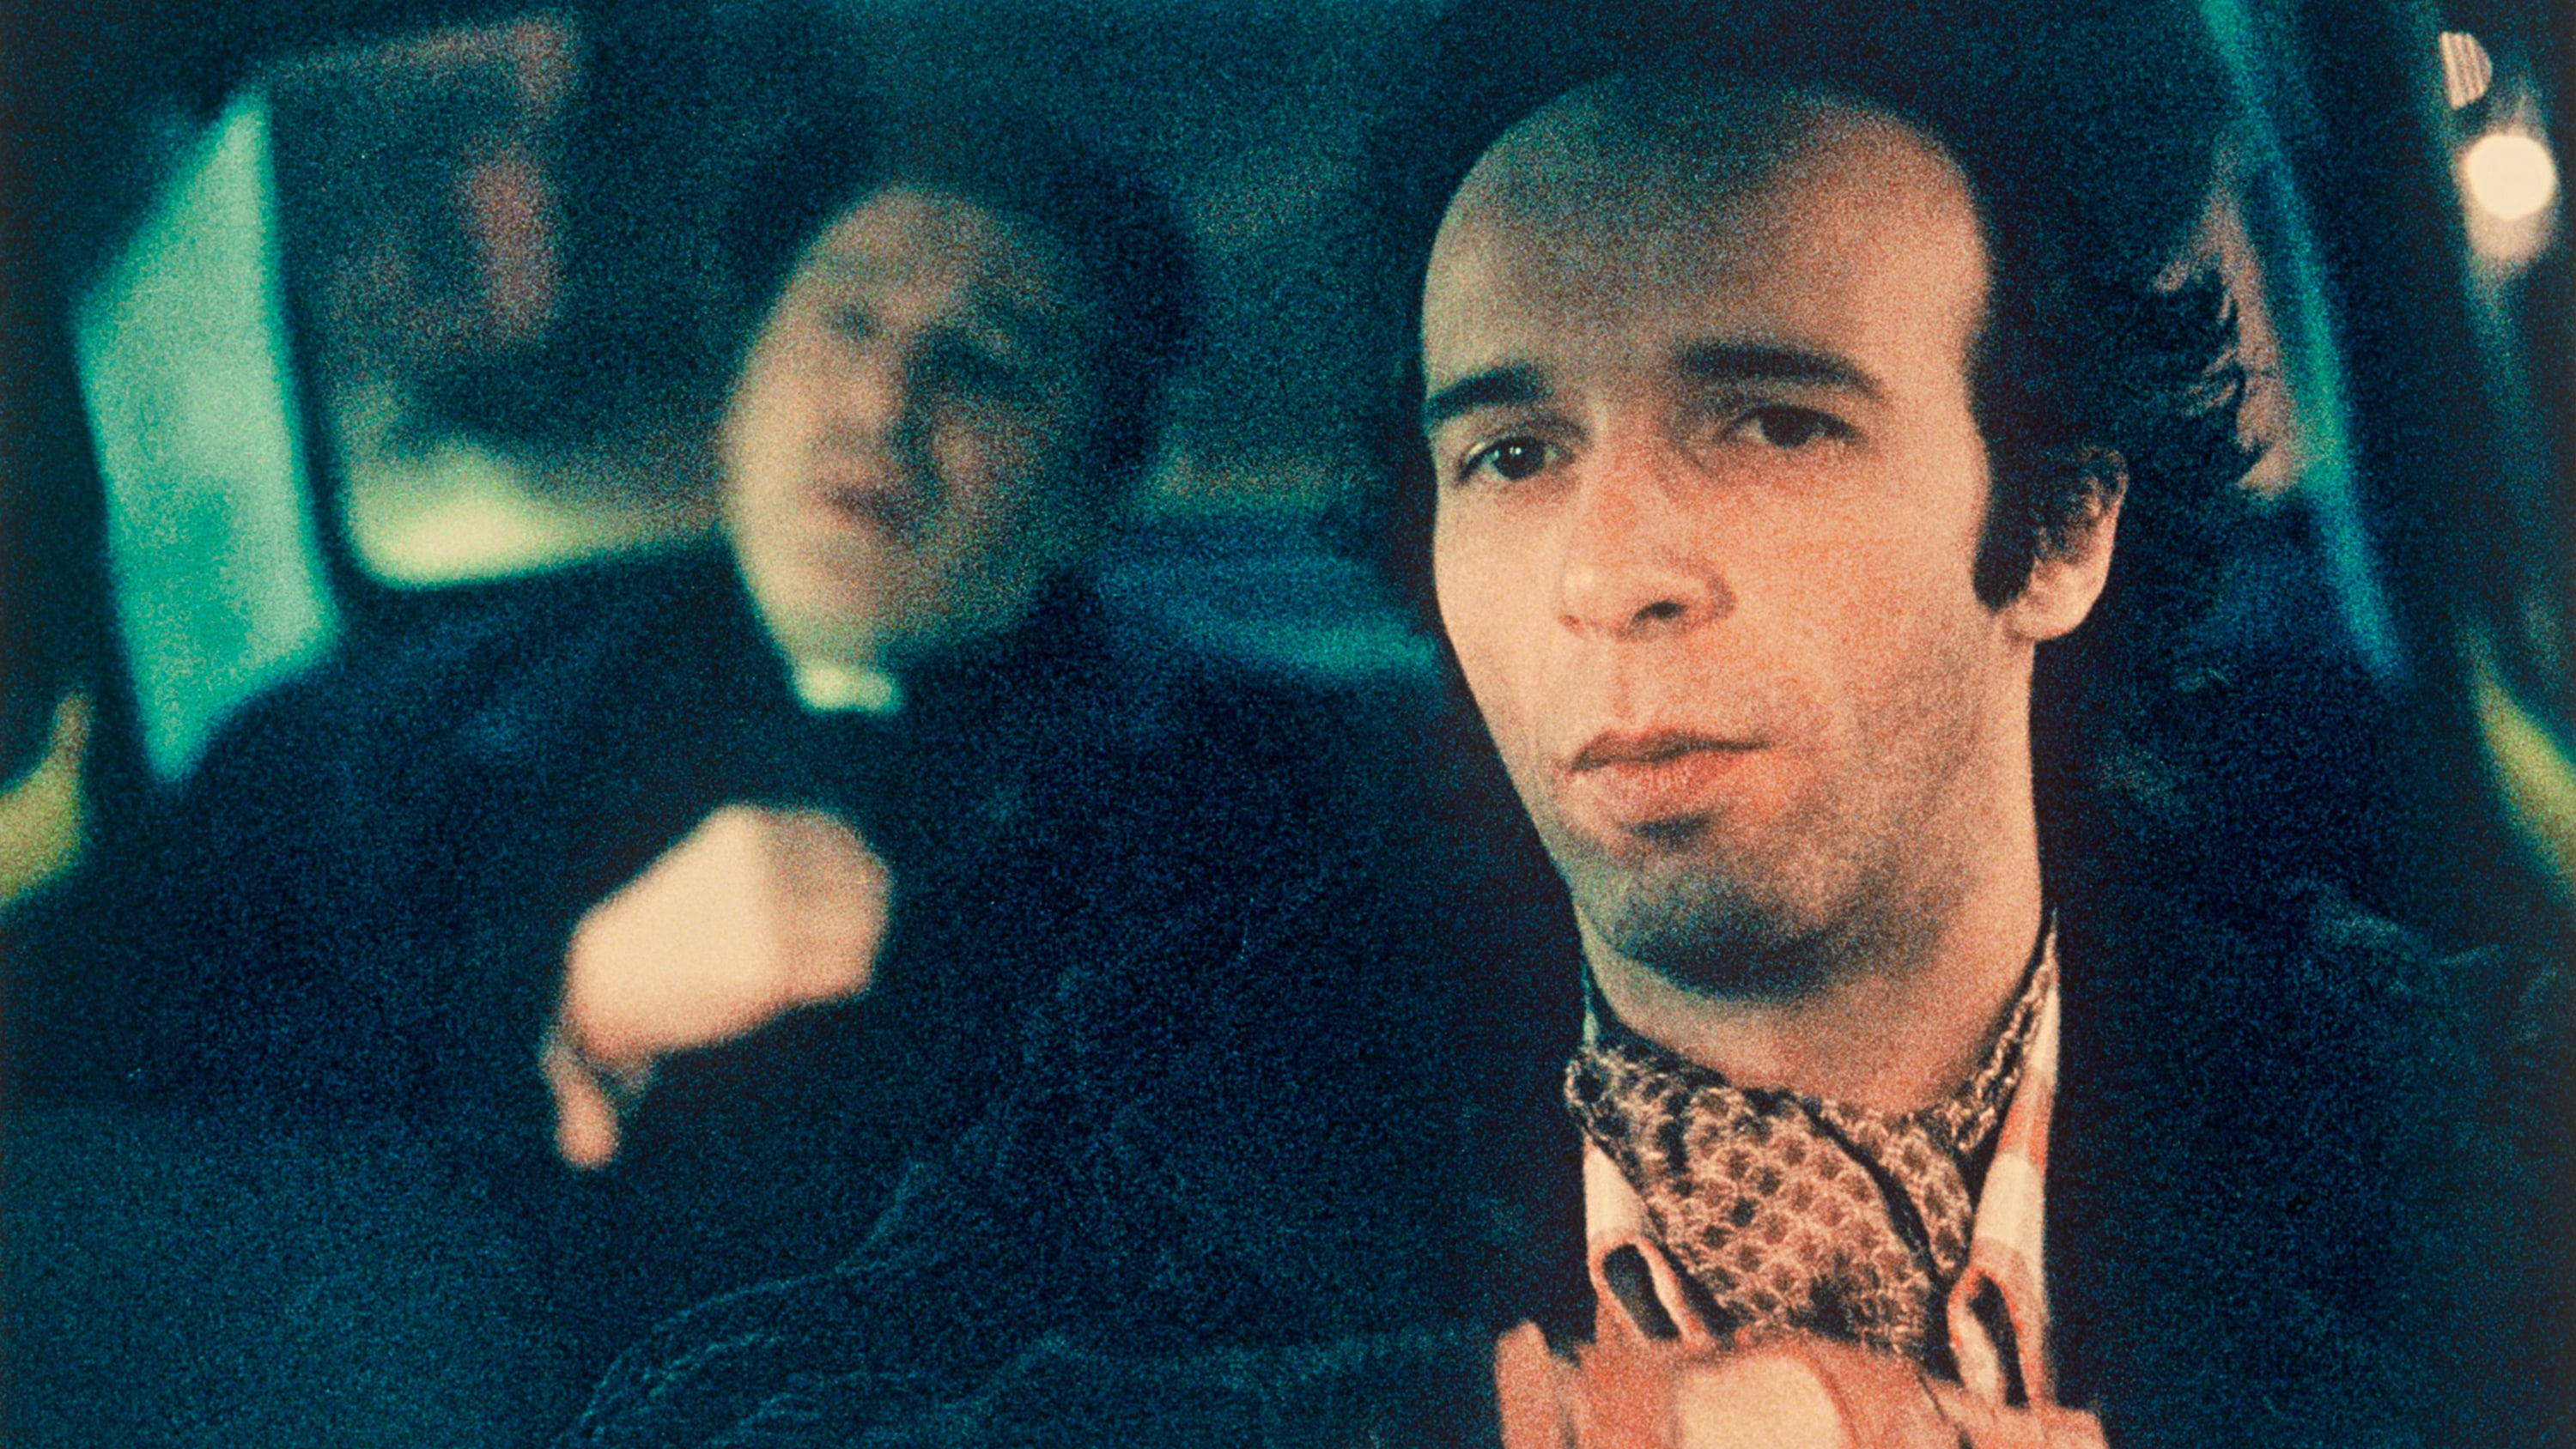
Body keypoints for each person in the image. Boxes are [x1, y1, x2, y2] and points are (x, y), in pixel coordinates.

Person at [561, 4, 2571, 1447]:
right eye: (1515, 453)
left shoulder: (2455, 1113)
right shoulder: (1190, 1106)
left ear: (2052, 527)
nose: (1609, 569)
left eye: (1768, 422)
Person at [41, 90, 1351, 1416]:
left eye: (989, 358)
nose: (885, 401)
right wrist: (566, 1019)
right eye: (845, 319)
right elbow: (177, 1192)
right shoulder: (366, 757)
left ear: (1098, 481)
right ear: (740, 380)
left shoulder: (1271, 816)